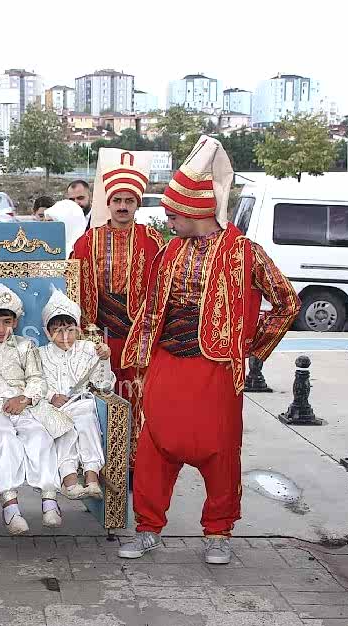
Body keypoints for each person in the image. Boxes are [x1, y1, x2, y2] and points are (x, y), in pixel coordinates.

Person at [118, 136, 300, 565]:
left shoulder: (245, 252)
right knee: (153, 446)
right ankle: (147, 528)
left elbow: (287, 302)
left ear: (195, 211)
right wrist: (140, 360)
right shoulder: (170, 251)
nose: (167, 220)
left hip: (216, 368)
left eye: (172, 214)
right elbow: (151, 309)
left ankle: (218, 532)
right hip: (166, 362)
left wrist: (252, 347)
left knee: (219, 451)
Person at [0, 284, 73, 534]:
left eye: (7, 322)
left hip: (22, 404)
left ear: (15, 322)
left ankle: (49, 501)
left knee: (40, 435)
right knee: (5, 439)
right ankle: (10, 506)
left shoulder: (26, 346)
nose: (1, 329)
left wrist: (24, 398)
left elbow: (37, 379)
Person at [69, 149, 164, 429]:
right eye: (117, 201)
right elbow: (73, 286)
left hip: (139, 333)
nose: (123, 206)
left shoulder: (152, 239)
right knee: (100, 397)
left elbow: (162, 287)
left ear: (137, 204)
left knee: (137, 395)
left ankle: (135, 451)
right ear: (108, 203)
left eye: (129, 201)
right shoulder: (88, 240)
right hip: (99, 332)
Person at [39, 287, 115, 500]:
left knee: (86, 417)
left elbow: (104, 385)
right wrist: (51, 396)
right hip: (54, 407)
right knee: (63, 427)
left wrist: (104, 359)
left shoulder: (89, 349)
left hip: (81, 402)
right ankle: (69, 480)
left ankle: (92, 477)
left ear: (78, 329)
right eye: (57, 330)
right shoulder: (40, 354)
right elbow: (34, 382)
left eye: (70, 330)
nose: (64, 336)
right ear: (47, 332)